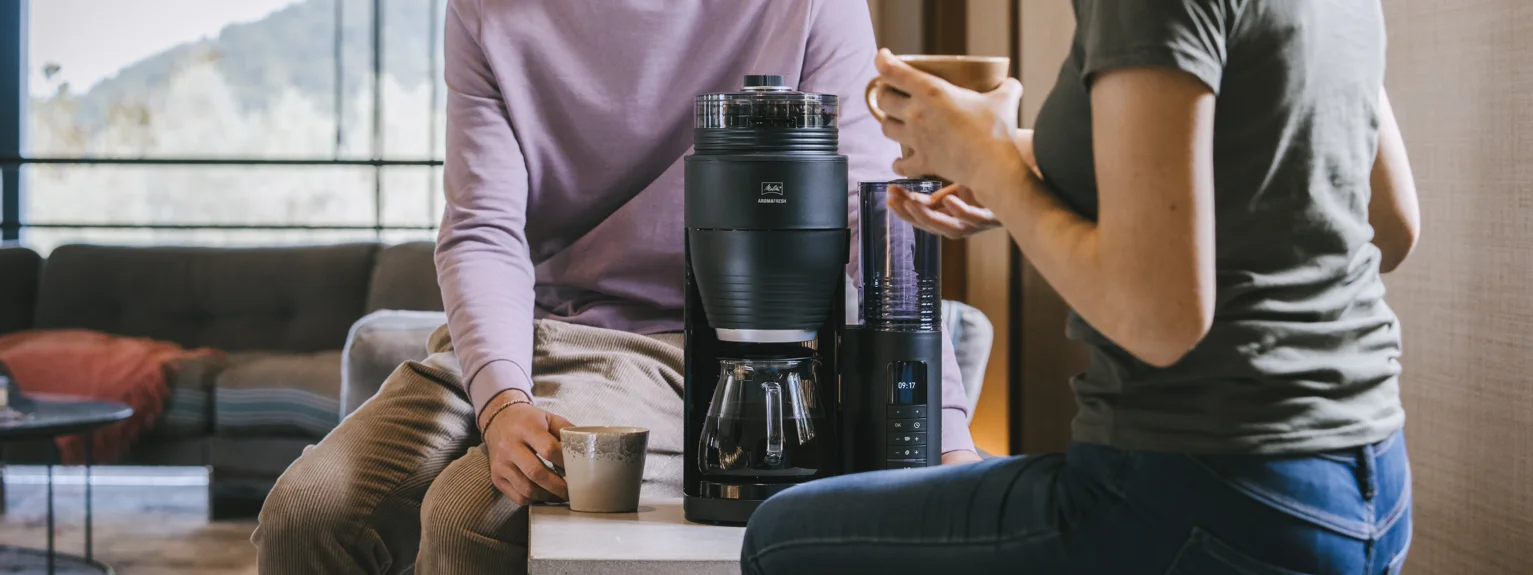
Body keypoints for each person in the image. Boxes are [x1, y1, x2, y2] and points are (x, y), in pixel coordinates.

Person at [252, 1, 981, 572]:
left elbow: (872, 207)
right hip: (529, 328)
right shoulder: (486, 10)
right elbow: (482, 229)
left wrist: (945, 436)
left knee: (468, 514)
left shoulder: (807, 4)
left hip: (685, 342)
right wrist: (502, 397)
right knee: (305, 513)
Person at [742, 1, 1421, 573]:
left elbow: (1157, 319)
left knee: (780, 536)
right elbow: (1386, 224)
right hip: (1369, 483)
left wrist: (990, 158)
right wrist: (1021, 172)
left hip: (1207, 490)